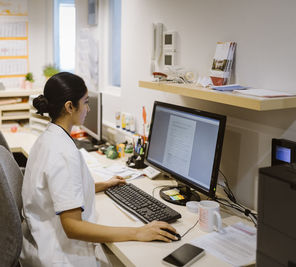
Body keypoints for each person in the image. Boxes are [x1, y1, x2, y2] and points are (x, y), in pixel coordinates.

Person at [20, 72, 178, 266]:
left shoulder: (49, 138)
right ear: (70, 107)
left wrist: (101, 185)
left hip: (41, 239)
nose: (88, 108)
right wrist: (138, 232)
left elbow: (59, 190)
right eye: (85, 102)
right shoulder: (62, 152)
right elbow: (73, 227)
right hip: (61, 256)